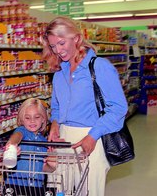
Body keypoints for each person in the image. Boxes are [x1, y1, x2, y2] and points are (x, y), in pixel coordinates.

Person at [41, 16, 128, 196]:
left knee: (88, 191)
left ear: (76, 38)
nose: (58, 50)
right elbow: (56, 106)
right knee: (59, 190)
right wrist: (55, 123)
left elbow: (119, 108)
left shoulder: (100, 67)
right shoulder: (59, 73)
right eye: (53, 46)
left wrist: (93, 136)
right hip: (63, 140)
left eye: (62, 43)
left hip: (91, 139)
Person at [4, 98, 56, 195]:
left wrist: (51, 165)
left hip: (36, 189)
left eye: (37, 117)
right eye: (27, 118)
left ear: (43, 119)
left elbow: (43, 168)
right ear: (22, 120)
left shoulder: (44, 142)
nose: (32, 121)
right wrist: (12, 144)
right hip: (15, 187)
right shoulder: (22, 131)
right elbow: (17, 136)